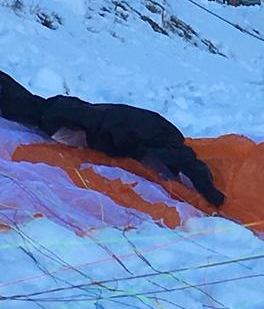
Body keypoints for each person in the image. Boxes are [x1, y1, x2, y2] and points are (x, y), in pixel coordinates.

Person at [0, 71, 225, 207]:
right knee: (30, 111)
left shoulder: (162, 131)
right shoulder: (168, 143)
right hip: (81, 121)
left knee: (32, 107)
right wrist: (213, 196)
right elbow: (191, 165)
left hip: (85, 116)